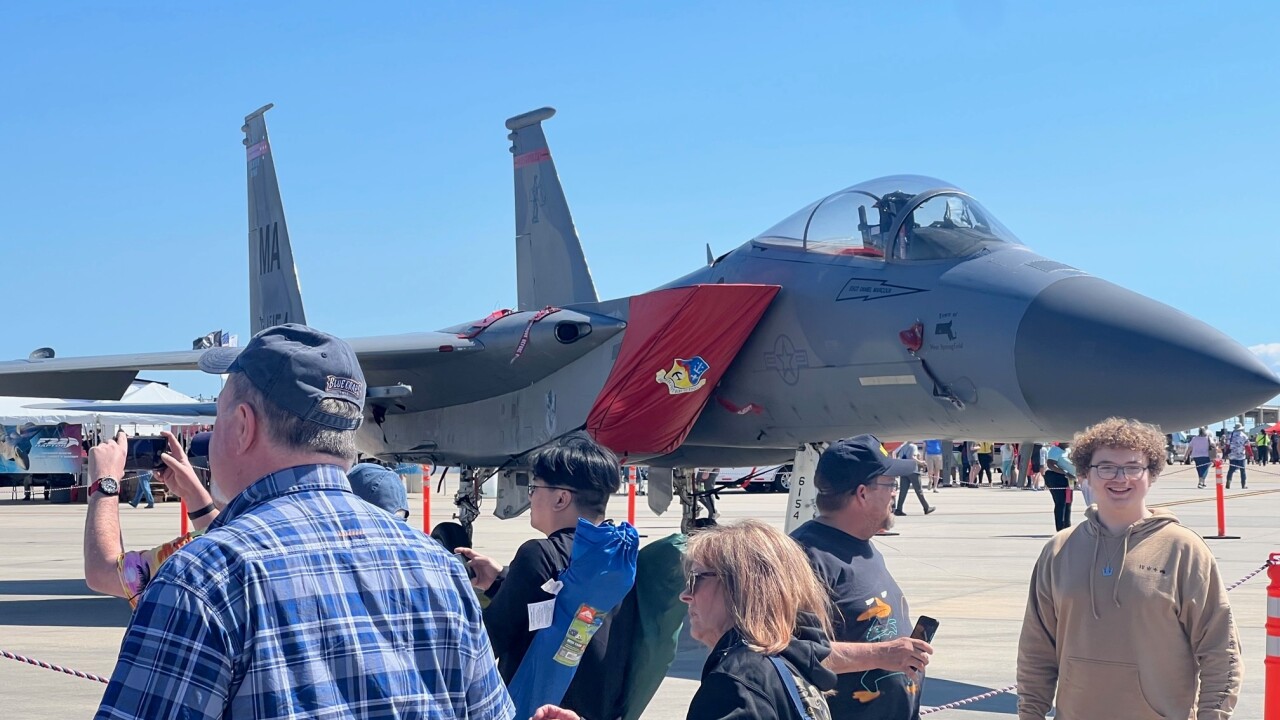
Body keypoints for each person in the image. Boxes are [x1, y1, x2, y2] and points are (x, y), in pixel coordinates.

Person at [94, 324, 513, 719]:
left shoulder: (203, 578)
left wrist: (105, 486)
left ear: (242, 426)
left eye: (220, 416)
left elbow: (106, 573)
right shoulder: (439, 568)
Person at [1017, 417, 1242, 720]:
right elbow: (1036, 649)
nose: (1121, 478)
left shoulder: (1183, 549)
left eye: (1133, 467)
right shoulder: (1059, 550)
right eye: (1106, 467)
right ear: (1085, 474)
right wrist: (1030, 713)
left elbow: (1221, 649)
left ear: (1151, 474)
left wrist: (1213, 715)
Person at [532, 519, 838, 720]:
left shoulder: (738, 682)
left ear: (740, 587)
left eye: (695, 579)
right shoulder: (789, 662)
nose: (685, 595)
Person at [457, 432, 632, 720]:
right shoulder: (619, 558)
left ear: (561, 498)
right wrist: (501, 581)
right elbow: (565, 609)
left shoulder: (538, 554)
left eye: (534, 487)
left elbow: (486, 642)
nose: (530, 496)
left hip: (536, 709)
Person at [791, 435, 935, 719]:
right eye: (890, 484)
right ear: (862, 493)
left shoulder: (862, 545)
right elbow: (794, 654)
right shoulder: (804, 558)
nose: (894, 493)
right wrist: (883, 655)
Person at [893, 441, 934, 516]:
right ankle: (926, 507)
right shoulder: (913, 447)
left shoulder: (903, 447)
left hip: (904, 471)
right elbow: (913, 457)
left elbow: (898, 457)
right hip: (913, 471)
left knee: (903, 491)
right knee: (919, 491)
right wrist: (921, 462)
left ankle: (899, 509)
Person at [1042, 443, 1076, 531]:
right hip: (1056, 478)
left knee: (1068, 502)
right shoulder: (1055, 450)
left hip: (1069, 479)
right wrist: (1065, 473)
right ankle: (1060, 527)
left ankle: (1067, 526)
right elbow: (1051, 464)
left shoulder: (1068, 450)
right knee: (1061, 502)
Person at [1225, 423, 1248, 488]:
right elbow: (1247, 446)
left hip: (1232, 455)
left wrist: (1225, 453)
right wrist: (1251, 454)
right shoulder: (1244, 436)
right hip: (1241, 455)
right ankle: (1243, 484)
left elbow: (1227, 445)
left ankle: (1228, 482)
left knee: (1231, 470)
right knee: (1242, 470)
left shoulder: (1231, 435)